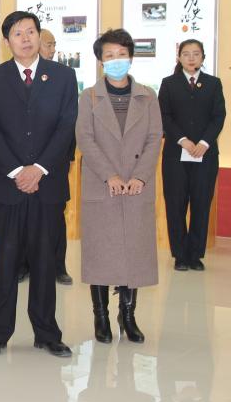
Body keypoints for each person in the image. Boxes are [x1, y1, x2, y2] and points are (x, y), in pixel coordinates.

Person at [0, 11, 77, 359]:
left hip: (48, 185)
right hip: (8, 186)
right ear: (7, 41)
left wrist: (40, 169)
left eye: (31, 31)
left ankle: (47, 333)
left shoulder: (63, 76)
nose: (25, 38)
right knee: (5, 261)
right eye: (18, 33)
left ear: (39, 35)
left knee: (45, 262)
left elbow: (67, 126)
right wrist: (19, 170)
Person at [76, 29, 161, 344]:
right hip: (103, 185)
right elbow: (85, 138)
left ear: (131, 57)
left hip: (137, 185)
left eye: (121, 54)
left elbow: (154, 138)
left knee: (133, 252)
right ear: (100, 61)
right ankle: (100, 316)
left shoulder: (148, 96)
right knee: (101, 252)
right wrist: (109, 175)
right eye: (109, 56)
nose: (116, 60)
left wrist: (140, 176)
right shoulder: (89, 96)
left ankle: (128, 316)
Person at [158, 39, 226, 272]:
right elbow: (164, 116)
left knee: (201, 203)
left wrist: (204, 142)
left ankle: (195, 255)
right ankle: (180, 254)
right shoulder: (169, 84)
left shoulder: (213, 83)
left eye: (196, 54)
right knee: (175, 204)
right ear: (179, 57)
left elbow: (219, 116)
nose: (191, 58)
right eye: (186, 54)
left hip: (205, 155)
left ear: (203, 57)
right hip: (176, 154)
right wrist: (183, 140)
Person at [31, 27, 75, 285]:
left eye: (53, 44)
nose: (52, 49)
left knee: (55, 218)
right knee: (24, 219)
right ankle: (24, 265)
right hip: (23, 166)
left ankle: (58, 266)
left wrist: (65, 156)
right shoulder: (14, 76)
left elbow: (69, 121)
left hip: (54, 162)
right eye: (48, 44)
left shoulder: (63, 76)